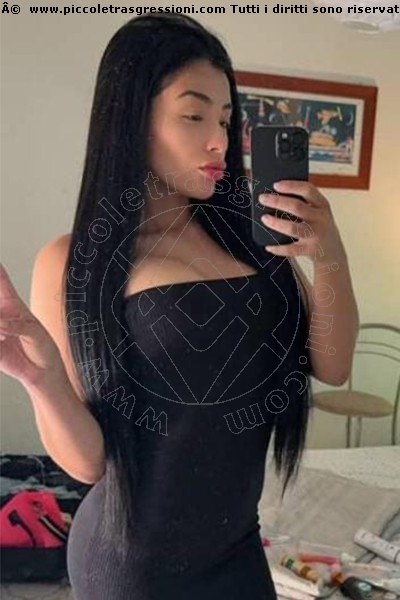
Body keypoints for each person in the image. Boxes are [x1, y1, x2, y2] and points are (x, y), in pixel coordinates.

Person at [0, 12, 359, 600]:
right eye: (194, 116)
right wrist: (39, 378)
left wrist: (330, 254)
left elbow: (334, 364)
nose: (220, 140)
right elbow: (89, 464)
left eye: (225, 119)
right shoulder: (74, 260)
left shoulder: (251, 239)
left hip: (237, 546)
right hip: (131, 565)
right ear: (130, 118)